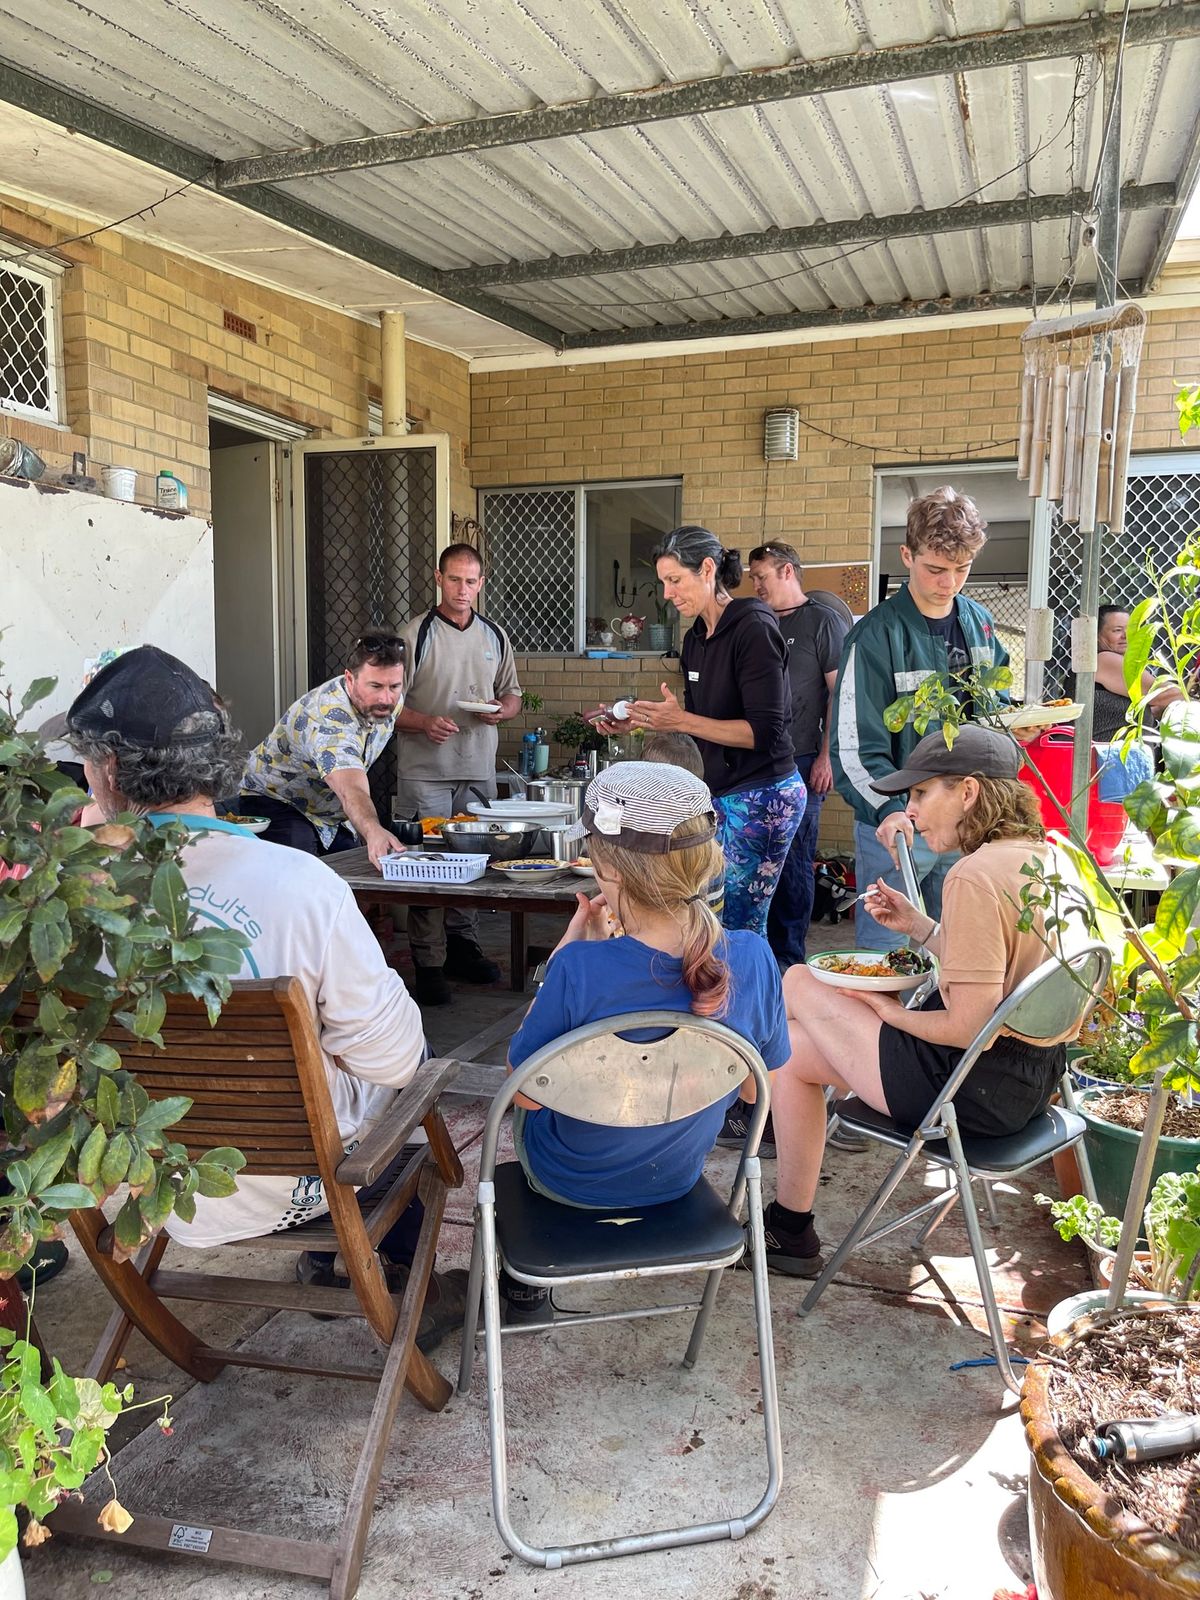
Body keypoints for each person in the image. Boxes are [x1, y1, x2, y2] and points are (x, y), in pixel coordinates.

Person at [65, 645, 467, 1350]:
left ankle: (336, 1262)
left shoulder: (62, 907)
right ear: (220, 760)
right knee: (410, 1056)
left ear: (106, 773)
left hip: (151, 1191)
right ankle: (393, 1273)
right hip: (302, 1186)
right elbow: (393, 1060)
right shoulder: (300, 884)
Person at [757, 725, 1079, 1277]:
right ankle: (790, 1229)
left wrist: (890, 1012)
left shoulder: (973, 876)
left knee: (797, 984)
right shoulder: (1047, 858)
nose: (911, 811)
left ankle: (744, 1104)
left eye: (921, 794)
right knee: (795, 1051)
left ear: (970, 793)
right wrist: (922, 927)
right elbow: (1002, 973)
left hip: (966, 1091)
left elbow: (967, 1025)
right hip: (1032, 1082)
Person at [505, 762, 790, 1316]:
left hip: (566, 1177)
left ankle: (519, 1280)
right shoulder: (753, 956)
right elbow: (757, 1096)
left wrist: (566, 954)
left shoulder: (580, 968)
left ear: (606, 863)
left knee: (520, 1103)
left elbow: (522, 1093)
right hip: (676, 1178)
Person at [596, 524, 805, 937]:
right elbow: (697, 728)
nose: (669, 593)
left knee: (739, 924)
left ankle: (753, 999)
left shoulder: (754, 627)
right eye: (664, 583)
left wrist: (682, 721)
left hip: (762, 795)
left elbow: (763, 732)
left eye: (675, 580)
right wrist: (638, 721)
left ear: (707, 569)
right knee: (705, 917)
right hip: (718, 794)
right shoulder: (695, 639)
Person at [831, 487, 1008, 950]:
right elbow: (853, 749)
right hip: (898, 824)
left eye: (962, 569)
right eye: (935, 569)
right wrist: (890, 810)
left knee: (959, 947)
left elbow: (997, 709)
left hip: (968, 819)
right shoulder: (873, 637)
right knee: (889, 957)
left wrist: (1012, 729)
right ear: (907, 555)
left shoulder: (982, 624)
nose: (949, 582)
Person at [394, 544, 522, 1005]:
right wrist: (424, 722)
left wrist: (501, 712)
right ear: (438, 578)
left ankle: (462, 947)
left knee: (473, 865)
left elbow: (512, 694)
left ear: (482, 583)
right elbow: (386, 705)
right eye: (454, 580)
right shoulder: (416, 634)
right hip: (426, 771)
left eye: (471, 581)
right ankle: (428, 961)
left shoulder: (494, 635)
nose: (462, 589)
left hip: (477, 769)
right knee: (427, 865)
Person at [747, 541, 851, 969]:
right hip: (754, 761)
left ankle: (789, 960)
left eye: (762, 577)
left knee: (793, 859)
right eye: (752, 578)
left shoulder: (821, 622)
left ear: (787, 572)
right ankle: (758, 956)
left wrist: (827, 757)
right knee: (755, 857)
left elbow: (838, 694)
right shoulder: (757, 619)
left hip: (805, 759)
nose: (755, 586)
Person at [239, 634, 407, 867]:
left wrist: (431, 723)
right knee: (302, 878)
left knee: (353, 880)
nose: (386, 698)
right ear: (349, 679)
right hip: (277, 799)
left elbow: (395, 712)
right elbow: (351, 789)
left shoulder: (389, 700)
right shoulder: (329, 721)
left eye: (394, 686)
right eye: (375, 686)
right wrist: (373, 830)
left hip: (329, 811)